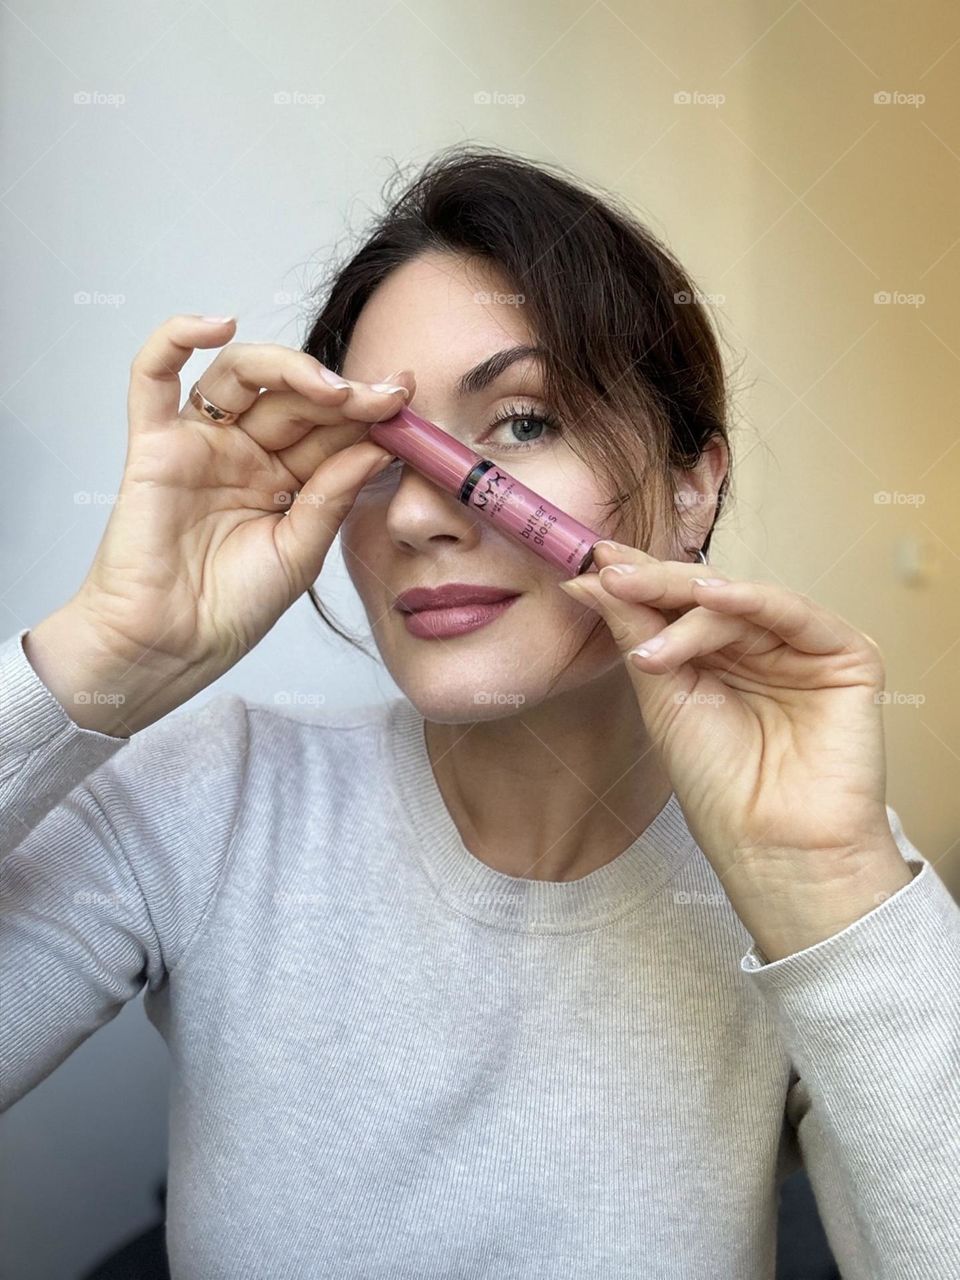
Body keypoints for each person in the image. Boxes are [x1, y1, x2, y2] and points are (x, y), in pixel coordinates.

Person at [2, 144, 957, 1279]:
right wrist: (96, 667)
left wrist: (820, 895)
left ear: (694, 485)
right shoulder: (213, 792)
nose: (419, 512)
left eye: (521, 421)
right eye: (377, 446)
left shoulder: (826, 880)